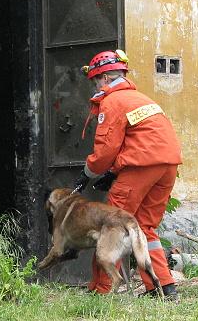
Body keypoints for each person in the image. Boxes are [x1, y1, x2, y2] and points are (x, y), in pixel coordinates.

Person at [74, 49, 182, 300]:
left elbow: (105, 150)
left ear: (104, 79)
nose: (95, 87)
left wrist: (88, 174)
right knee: (145, 227)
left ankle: (102, 290)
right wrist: (114, 172)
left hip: (141, 166)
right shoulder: (141, 99)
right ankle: (163, 288)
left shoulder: (113, 101)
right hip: (167, 166)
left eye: (94, 81)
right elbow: (141, 140)